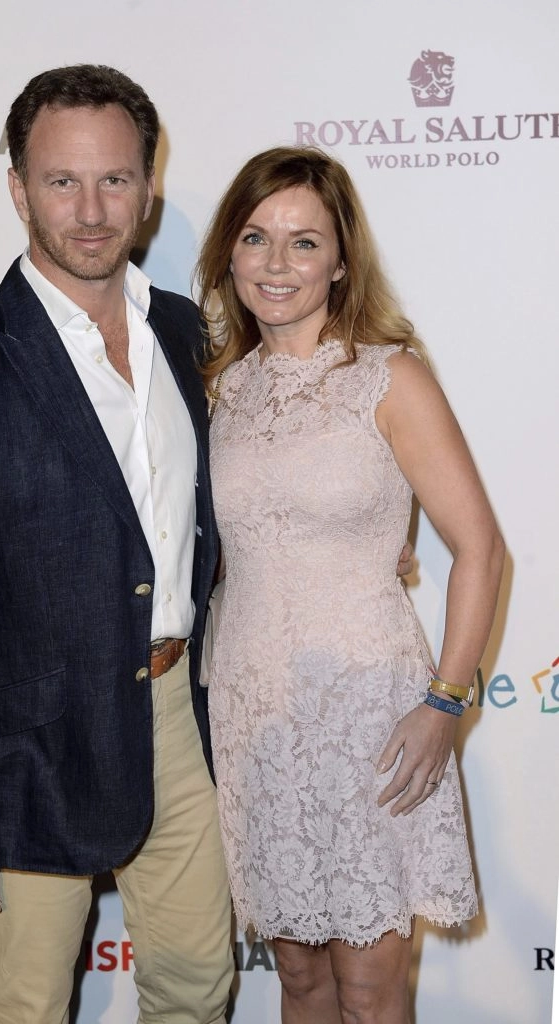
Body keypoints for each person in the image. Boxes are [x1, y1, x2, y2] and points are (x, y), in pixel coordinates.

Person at [0, 64, 235, 1024]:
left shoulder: (187, 334)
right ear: (17, 188)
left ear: (148, 190)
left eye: (114, 179)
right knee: (25, 1007)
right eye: (61, 181)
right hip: (24, 748)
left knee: (198, 987)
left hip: (179, 717)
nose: (91, 210)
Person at [195, 146, 505, 1024]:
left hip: (369, 717)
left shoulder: (388, 376)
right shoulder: (220, 390)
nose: (277, 263)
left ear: (340, 261)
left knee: (370, 992)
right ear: (229, 254)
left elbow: (480, 549)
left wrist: (444, 703)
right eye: (256, 238)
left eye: (304, 242)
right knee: (300, 982)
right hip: (255, 718)